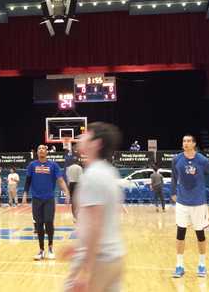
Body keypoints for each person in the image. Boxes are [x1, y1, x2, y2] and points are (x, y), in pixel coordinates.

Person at [62, 122, 125, 292]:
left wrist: (86, 271)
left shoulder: (93, 176)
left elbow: (95, 225)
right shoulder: (109, 171)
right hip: (114, 256)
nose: (81, 136)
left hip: (99, 259)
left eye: (86, 134)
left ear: (96, 143)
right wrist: (78, 247)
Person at [171, 134, 209, 278]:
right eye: (184, 140)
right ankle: (179, 266)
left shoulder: (201, 160)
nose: (186, 143)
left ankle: (202, 265)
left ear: (194, 144)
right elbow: (174, 177)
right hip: (182, 203)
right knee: (180, 233)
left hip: (198, 203)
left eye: (189, 141)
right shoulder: (176, 159)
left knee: (200, 234)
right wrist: (173, 192)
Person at [23, 144, 70, 261]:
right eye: (39, 148)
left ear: (47, 152)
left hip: (49, 198)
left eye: (43, 148)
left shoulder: (53, 165)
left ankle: (50, 248)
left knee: (48, 222)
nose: (41, 150)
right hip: (36, 199)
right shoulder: (32, 165)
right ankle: (41, 250)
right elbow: (28, 181)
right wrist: (24, 194)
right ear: (37, 152)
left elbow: (60, 180)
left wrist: (67, 193)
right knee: (38, 224)